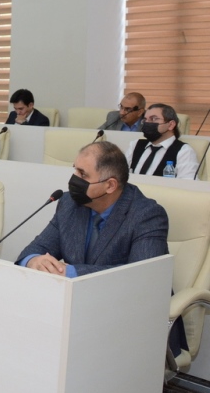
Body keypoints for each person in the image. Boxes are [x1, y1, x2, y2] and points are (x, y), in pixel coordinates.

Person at [17, 142, 168, 278]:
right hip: (76, 296)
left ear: (110, 185)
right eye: (75, 170)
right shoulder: (69, 203)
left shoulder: (147, 215)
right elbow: (34, 250)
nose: (74, 179)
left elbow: (142, 276)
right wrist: (34, 261)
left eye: (82, 174)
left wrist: (69, 272)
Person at [126, 103, 199, 179]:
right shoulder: (135, 145)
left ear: (171, 125)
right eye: (145, 120)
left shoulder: (184, 151)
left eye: (154, 119)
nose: (147, 123)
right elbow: (121, 174)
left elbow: (188, 183)